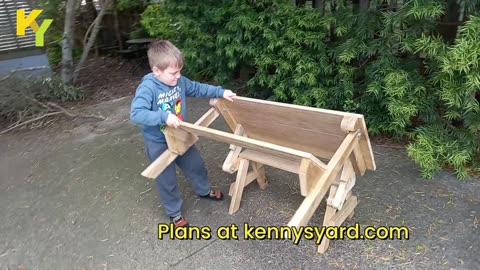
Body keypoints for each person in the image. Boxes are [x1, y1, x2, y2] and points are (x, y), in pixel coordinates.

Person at [130, 40, 236, 227]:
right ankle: (174, 212)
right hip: (159, 142)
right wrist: (164, 116)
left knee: (196, 165)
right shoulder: (148, 88)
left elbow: (197, 87)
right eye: (173, 73)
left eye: (179, 71)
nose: (178, 77)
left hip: (180, 135)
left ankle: (204, 191)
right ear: (156, 71)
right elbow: (137, 114)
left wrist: (220, 92)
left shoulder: (180, 82)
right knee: (166, 179)